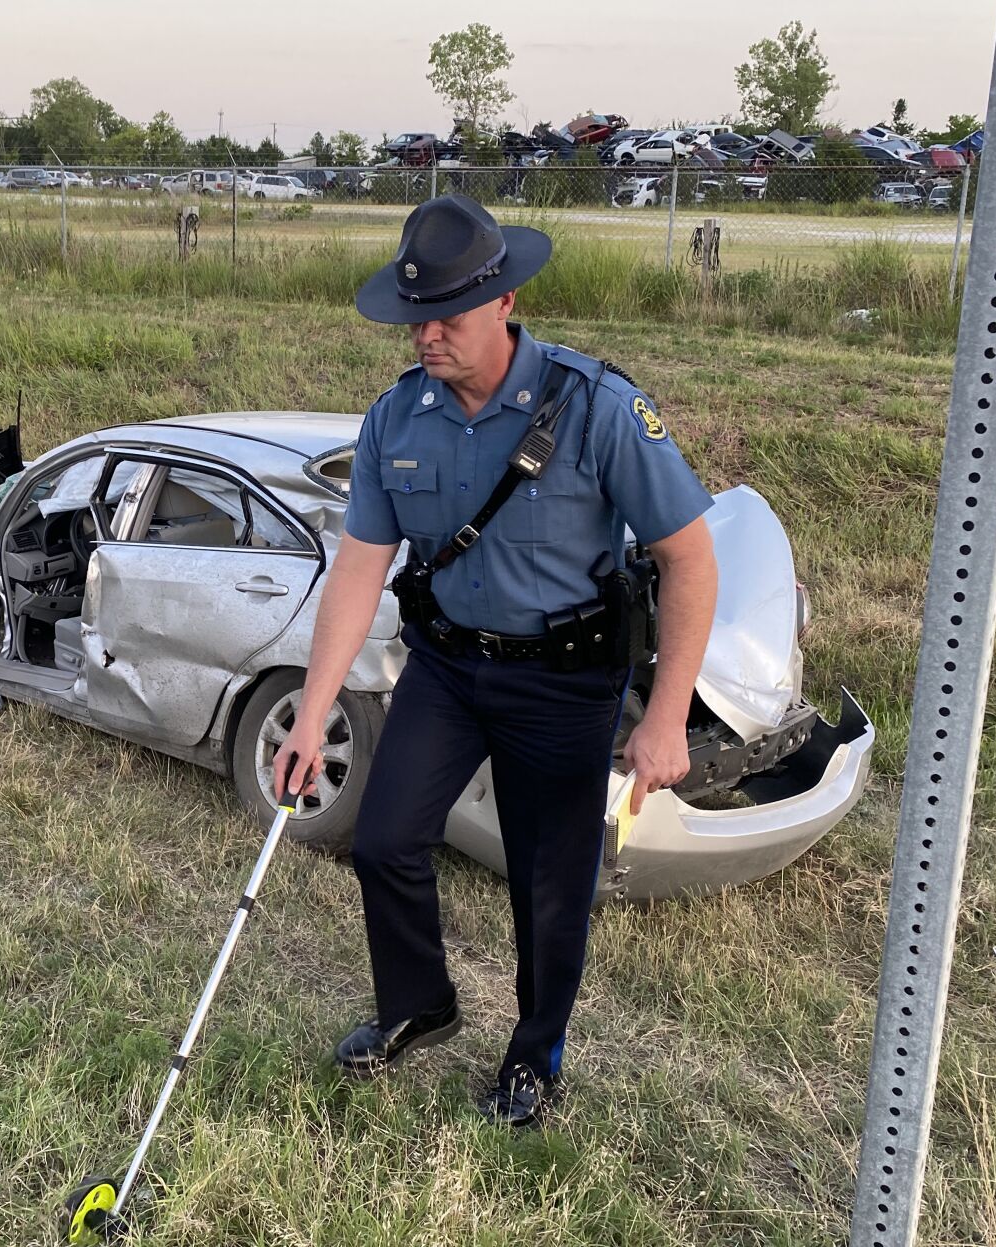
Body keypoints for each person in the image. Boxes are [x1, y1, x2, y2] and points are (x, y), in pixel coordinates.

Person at [271, 194, 718, 1127]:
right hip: (445, 669)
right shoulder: (398, 417)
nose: (428, 335)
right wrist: (313, 712)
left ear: (505, 300)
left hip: (563, 682)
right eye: (415, 316)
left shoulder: (594, 408)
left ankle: (534, 1055)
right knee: (386, 839)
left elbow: (689, 557)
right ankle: (417, 1004)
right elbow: (360, 569)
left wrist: (667, 713)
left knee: (548, 884)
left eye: (448, 316)